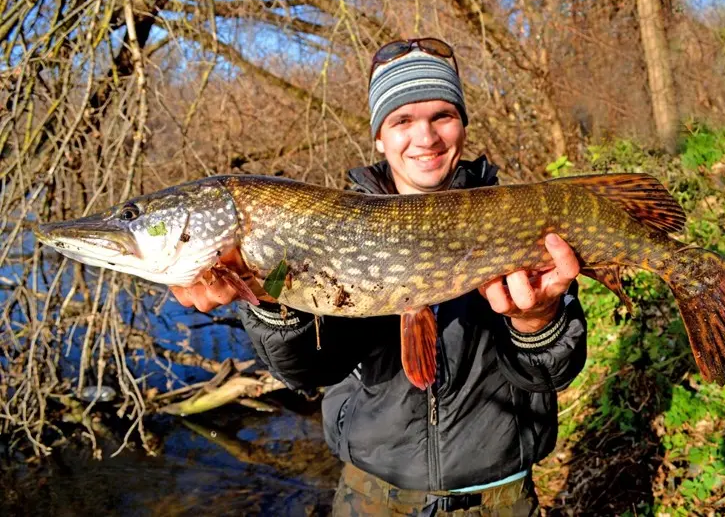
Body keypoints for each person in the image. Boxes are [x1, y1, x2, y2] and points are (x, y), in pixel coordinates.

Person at [172, 38, 587, 516]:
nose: (425, 138)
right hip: (370, 501)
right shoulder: (321, 228)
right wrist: (268, 300)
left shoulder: (516, 219)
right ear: (379, 137)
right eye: (402, 121)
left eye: (442, 116)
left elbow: (553, 374)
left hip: (500, 500)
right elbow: (309, 370)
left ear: (464, 126)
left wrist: (537, 321)